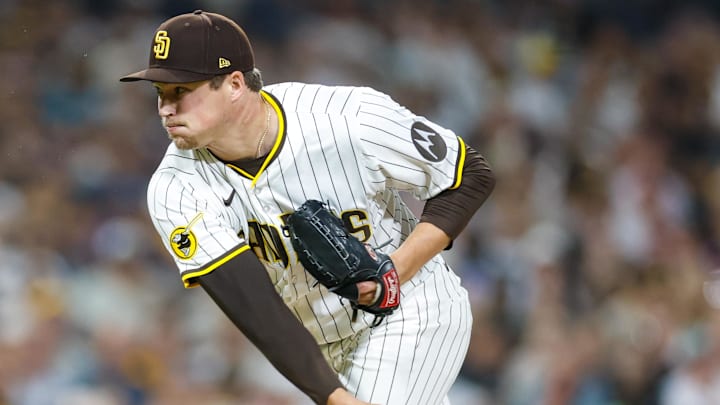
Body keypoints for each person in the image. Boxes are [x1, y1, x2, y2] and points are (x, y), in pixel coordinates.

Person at [120, 10, 495, 405]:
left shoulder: (346, 118)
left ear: (233, 84)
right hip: (316, 343)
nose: (165, 108)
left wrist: (397, 270)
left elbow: (470, 174)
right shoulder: (174, 188)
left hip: (413, 309)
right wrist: (331, 394)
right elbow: (257, 308)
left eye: (182, 90)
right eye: (160, 92)